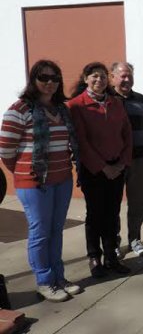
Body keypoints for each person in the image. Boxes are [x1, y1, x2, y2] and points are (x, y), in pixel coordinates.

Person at [0, 60, 81, 302]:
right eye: (44, 78)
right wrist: (24, 173)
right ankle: (44, 281)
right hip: (34, 183)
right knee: (40, 232)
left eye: (54, 78)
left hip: (62, 179)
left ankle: (59, 277)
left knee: (56, 231)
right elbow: (5, 150)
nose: (49, 83)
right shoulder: (20, 109)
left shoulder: (61, 109)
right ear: (33, 80)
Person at [68, 62, 132, 278]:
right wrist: (104, 168)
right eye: (94, 76)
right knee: (95, 214)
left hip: (117, 167)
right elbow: (82, 142)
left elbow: (127, 135)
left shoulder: (115, 103)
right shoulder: (77, 105)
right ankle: (94, 257)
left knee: (112, 214)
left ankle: (111, 256)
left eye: (103, 77)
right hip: (93, 170)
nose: (99, 81)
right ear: (86, 78)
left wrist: (121, 163)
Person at [110, 62, 143, 258]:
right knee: (112, 204)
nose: (126, 79)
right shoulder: (107, 100)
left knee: (139, 202)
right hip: (114, 163)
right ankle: (114, 242)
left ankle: (135, 239)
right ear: (112, 77)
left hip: (139, 160)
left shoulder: (141, 100)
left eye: (129, 75)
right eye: (122, 76)